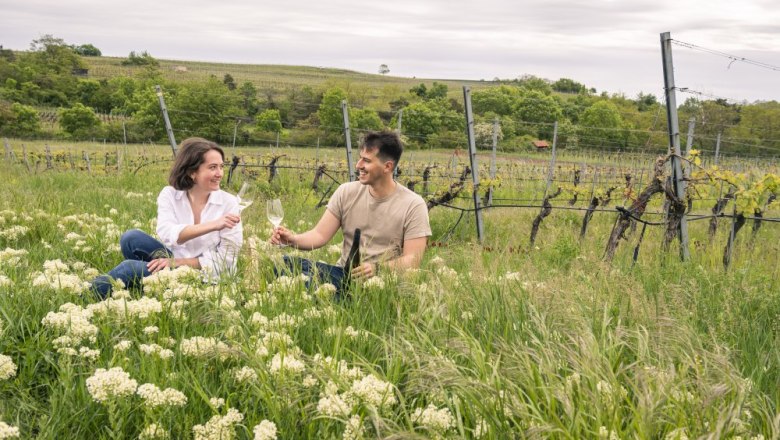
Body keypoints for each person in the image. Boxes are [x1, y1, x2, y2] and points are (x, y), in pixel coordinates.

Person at [270, 130, 431, 295]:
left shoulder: (413, 205)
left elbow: (413, 259)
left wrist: (378, 269)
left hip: (381, 283)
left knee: (306, 285)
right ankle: (331, 295)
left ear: (387, 166)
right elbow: (319, 235)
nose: (358, 165)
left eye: (366, 160)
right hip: (343, 275)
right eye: (360, 158)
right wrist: (292, 240)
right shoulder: (346, 192)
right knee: (284, 264)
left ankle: (329, 297)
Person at [91, 137, 242, 299]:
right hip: (174, 258)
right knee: (130, 238)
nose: (219, 174)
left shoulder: (229, 203)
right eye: (212, 167)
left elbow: (227, 259)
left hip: (206, 274)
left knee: (130, 268)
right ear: (192, 172)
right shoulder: (170, 194)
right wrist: (213, 225)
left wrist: (178, 263)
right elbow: (167, 233)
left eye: (221, 167)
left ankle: (86, 293)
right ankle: (152, 285)